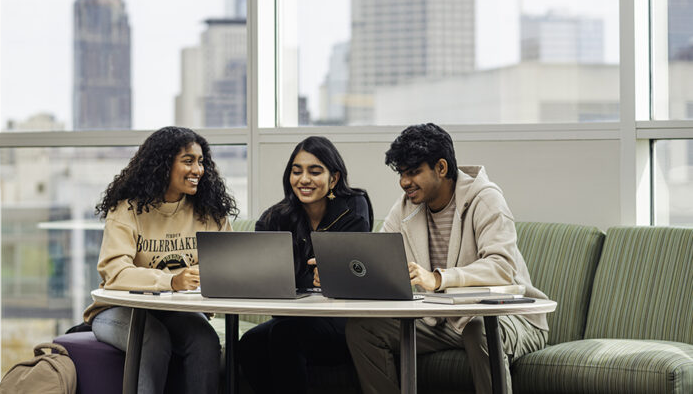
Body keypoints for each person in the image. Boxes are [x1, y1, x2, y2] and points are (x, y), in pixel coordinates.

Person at [346, 123, 548, 394]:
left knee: (478, 328)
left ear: (441, 168)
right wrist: (349, 275)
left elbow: (502, 268)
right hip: (441, 321)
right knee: (363, 329)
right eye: (402, 174)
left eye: (414, 172)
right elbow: (379, 262)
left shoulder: (486, 199)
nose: (405, 182)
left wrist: (439, 278)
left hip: (508, 318)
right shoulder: (405, 207)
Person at [82, 126, 238, 394]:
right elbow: (115, 274)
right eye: (188, 161)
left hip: (177, 312)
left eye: (201, 162)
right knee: (152, 339)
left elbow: (229, 262)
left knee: (205, 340)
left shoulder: (209, 211)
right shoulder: (127, 210)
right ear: (163, 165)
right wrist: (172, 281)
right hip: (119, 311)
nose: (198, 170)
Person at [237, 136, 373, 394]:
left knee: (284, 335)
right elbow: (262, 275)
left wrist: (329, 276)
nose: (304, 179)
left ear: (333, 178)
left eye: (315, 171)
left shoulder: (353, 207)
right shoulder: (276, 217)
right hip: (293, 318)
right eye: (296, 171)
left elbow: (352, 272)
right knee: (250, 343)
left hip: (342, 320)